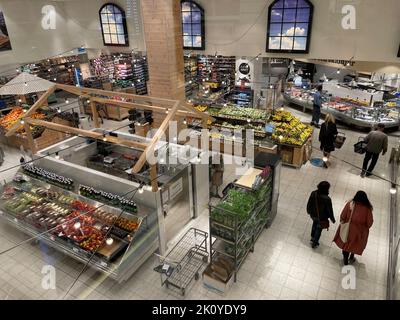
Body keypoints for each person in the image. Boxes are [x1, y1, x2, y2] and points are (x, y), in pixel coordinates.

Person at [333, 191, 374, 265]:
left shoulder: (350, 204)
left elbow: (343, 215)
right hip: (360, 232)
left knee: (346, 245)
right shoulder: (368, 209)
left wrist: (342, 221)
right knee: (355, 245)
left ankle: (345, 260)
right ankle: (352, 256)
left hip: (348, 230)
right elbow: (369, 223)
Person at [306, 181, 336, 248]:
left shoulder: (314, 193)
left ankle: (312, 238)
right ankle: (315, 242)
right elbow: (330, 210)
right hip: (322, 217)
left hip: (313, 215)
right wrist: (332, 219)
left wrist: (308, 211)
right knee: (319, 229)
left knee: (314, 224)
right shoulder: (327, 199)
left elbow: (309, 203)